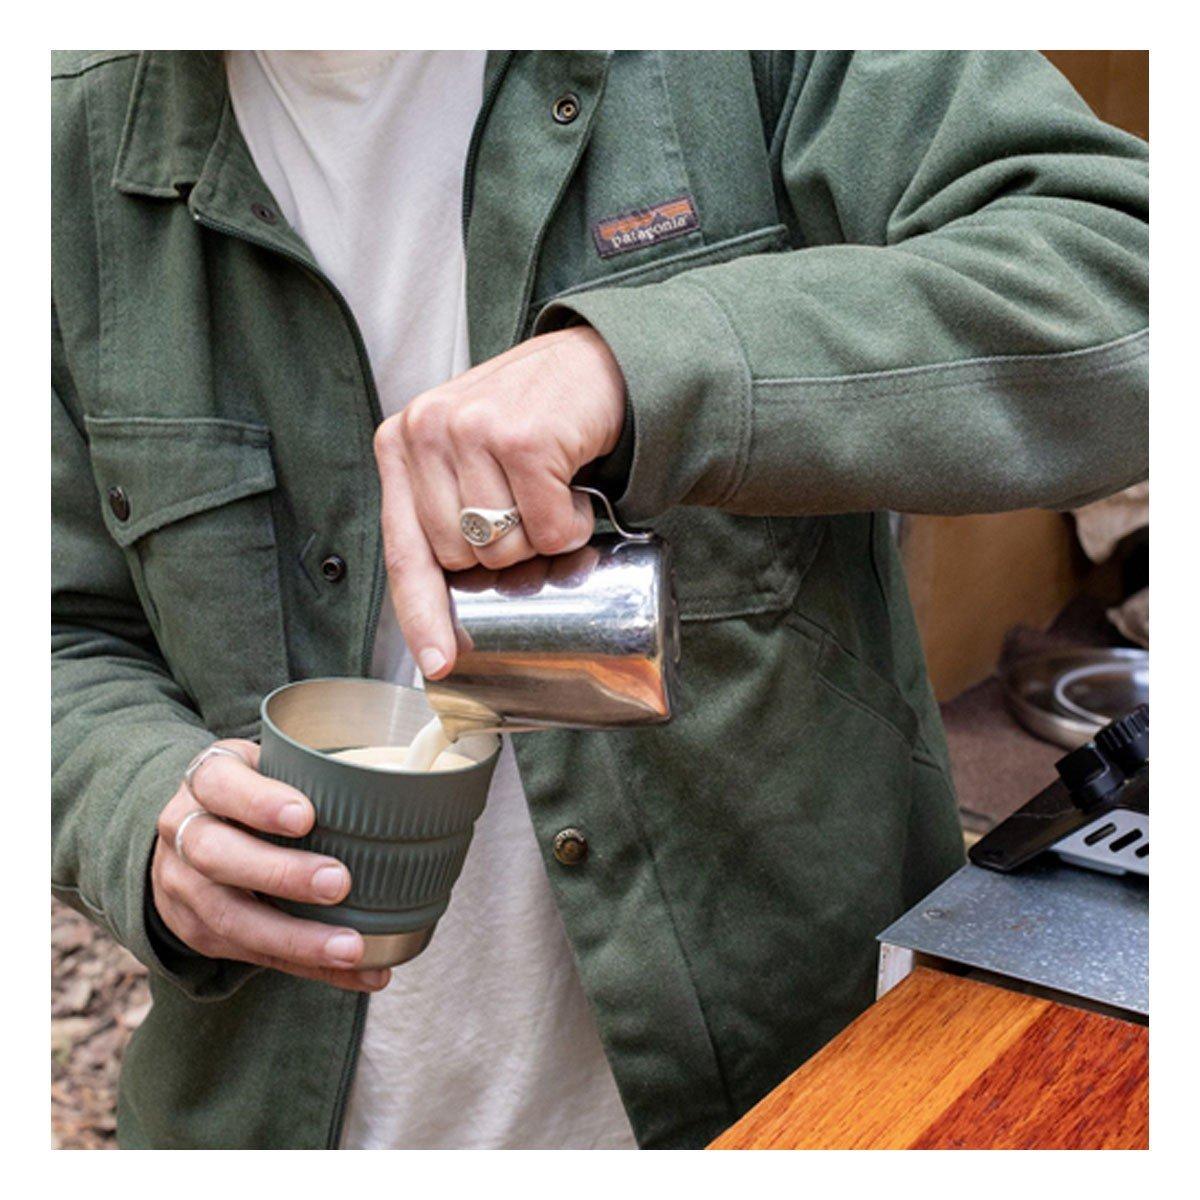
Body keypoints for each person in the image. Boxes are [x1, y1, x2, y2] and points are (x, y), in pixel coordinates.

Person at [51, 51, 1148, 1149]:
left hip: (789, 1089)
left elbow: (1126, 276)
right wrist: (142, 812)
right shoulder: (67, 131)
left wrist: (645, 370)